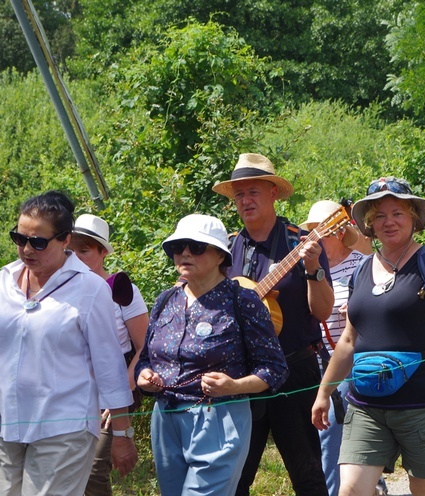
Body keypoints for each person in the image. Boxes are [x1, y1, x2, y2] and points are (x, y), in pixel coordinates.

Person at [312, 176, 425, 496]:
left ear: (414, 219)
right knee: (350, 490)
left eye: (397, 213)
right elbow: (349, 340)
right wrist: (325, 393)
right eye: (379, 215)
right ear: (369, 224)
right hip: (366, 404)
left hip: (424, 403)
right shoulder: (361, 271)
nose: (388, 222)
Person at [135, 214, 288, 495]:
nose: (184, 253)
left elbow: (274, 368)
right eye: (178, 246)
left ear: (220, 256)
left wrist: (235, 386)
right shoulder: (166, 299)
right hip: (166, 418)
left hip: (219, 416)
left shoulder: (241, 300)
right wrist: (144, 376)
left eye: (196, 246)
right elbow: (145, 358)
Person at [213, 153, 334, 495]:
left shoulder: (302, 241)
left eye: (253, 191)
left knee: (308, 474)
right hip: (242, 377)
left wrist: (313, 270)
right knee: (235, 476)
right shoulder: (226, 248)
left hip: (294, 369)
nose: (245, 200)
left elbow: (323, 312)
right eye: (239, 194)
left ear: (273, 193)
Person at [0, 191, 137, 495]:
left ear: (65, 240)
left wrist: (122, 433)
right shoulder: (4, 281)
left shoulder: (90, 289)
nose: (26, 249)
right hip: (7, 424)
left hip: (64, 429)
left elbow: (109, 367)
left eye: (38, 242)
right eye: (19, 238)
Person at [299, 200, 379, 496]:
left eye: (326, 231)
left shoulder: (362, 264)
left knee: (331, 431)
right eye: (313, 232)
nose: (318, 237)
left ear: (341, 231)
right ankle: (370, 483)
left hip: (353, 360)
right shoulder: (305, 267)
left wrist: (358, 311)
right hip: (316, 360)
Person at [69, 214, 149, 496]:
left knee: (93, 471)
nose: (76, 256)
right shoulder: (61, 290)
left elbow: (143, 348)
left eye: (85, 250)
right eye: (71, 250)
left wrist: (118, 397)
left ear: (103, 252)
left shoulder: (121, 290)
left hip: (111, 395)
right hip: (70, 396)